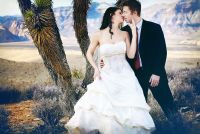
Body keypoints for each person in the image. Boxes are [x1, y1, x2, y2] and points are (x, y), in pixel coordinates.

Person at [65, 7, 155, 134]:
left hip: (125, 74)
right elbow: (89, 53)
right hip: (106, 73)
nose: (123, 15)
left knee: (127, 106)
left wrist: (134, 34)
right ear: (112, 15)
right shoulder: (98, 34)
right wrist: (96, 68)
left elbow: (130, 55)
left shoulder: (125, 34)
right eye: (120, 13)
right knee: (104, 106)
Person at [100, 0, 186, 133]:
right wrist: (104, 61)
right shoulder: (125, 31)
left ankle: (181, 128)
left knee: (168, 104)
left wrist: (157, 72)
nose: (123, 15)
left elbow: (161, 51)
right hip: (135, 77)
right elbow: (120, 52)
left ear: (134, 12)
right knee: (140, 109)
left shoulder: (154, 28)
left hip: (154, 75)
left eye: (125, 12)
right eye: (121, 12)